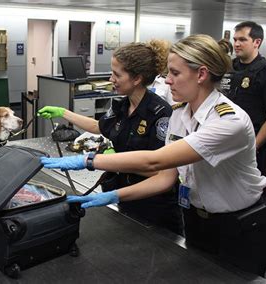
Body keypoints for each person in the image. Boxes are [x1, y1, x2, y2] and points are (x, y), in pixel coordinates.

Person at [40, 34, 266, 277]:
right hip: (196, 221)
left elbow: (156, 160)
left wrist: (87, 161)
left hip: (238, 226)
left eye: (174, 73)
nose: (166, 81)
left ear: (201, 74)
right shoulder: (179, 115)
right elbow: (164, 178)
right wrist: (113, 195)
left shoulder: (228, 121)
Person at [38, 40, 183, 235]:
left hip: (152, 207)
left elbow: (158, 171)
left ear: (137, 78)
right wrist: (63, 112)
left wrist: (104, 161)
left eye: (117, 74)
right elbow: (100, 127)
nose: (111, 78)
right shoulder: (121, 106)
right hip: (124, 197)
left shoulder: (160, 114)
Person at [220, 21, 266, 173]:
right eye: (235, 39)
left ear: (257, 42)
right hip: (225, 140)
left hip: (249, 145)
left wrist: (254, 145)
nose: (236, 44)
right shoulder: (229, 68)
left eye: (242, 40)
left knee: (246, 192)